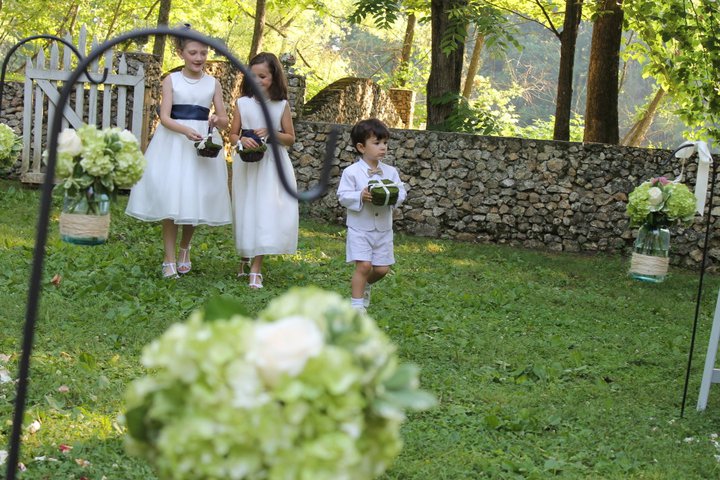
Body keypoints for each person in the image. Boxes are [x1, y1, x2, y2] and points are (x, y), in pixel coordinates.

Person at [125, 27, 231, 279]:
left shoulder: (213, 83)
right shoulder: (171, 80)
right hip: (174, 142)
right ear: (180, 52)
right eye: (193, 52)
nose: (199, 57)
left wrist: (217, 119)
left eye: (203, 53)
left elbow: (225, 119)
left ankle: (185, 248)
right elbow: (164, 117)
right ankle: (169, 257)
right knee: (172, 198)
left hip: (200, 144)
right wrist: (184, 130)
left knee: (194, 196)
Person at [229, 52, 298, 289]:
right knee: (246, 208)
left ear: (274, 77)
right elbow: (232, 134)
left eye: (263, 76)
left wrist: (271, 132)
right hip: (247, 165)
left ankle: (256, 268)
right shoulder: (242, 103)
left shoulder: (281, 106)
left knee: (265, 210)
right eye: (253, 76)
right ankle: (244, 256)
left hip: (272, 165)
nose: (257, 81)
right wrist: (240, 141)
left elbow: (290, 138)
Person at [337, 118, 407, 313]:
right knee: (364, 266)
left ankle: (365, 285)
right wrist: (360, 196)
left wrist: (392, 196)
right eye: (376, 143)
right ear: (361, 147)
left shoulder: (391, 172)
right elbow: (342, 196)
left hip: (383, 229)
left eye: (385, 143)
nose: (383, 147)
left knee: (382, 269)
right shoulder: (351, 172)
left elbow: (401, 192)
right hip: (360, 228)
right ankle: (357, 306)